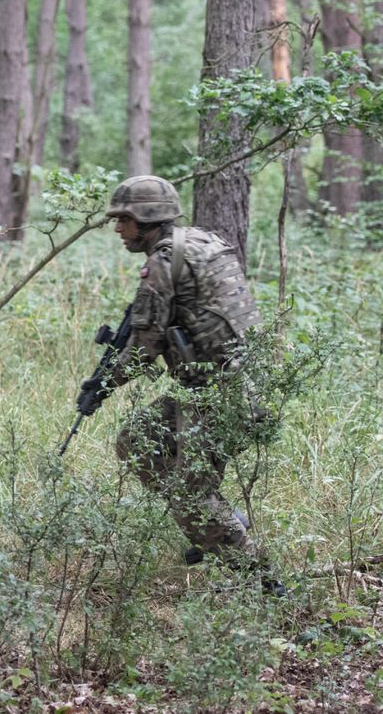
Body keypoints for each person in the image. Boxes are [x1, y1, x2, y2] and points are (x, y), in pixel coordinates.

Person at [89, 175, 283, 594]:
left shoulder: (163, 261)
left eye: (123, 220)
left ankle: (264, 584)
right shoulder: (198, 241)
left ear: (147, 219)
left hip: (222, 393)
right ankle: (217, 528)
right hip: (232, 386)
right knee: (136, 442)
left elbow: (144, 345)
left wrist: (101, 386)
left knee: (191, 499)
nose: (119, 229)